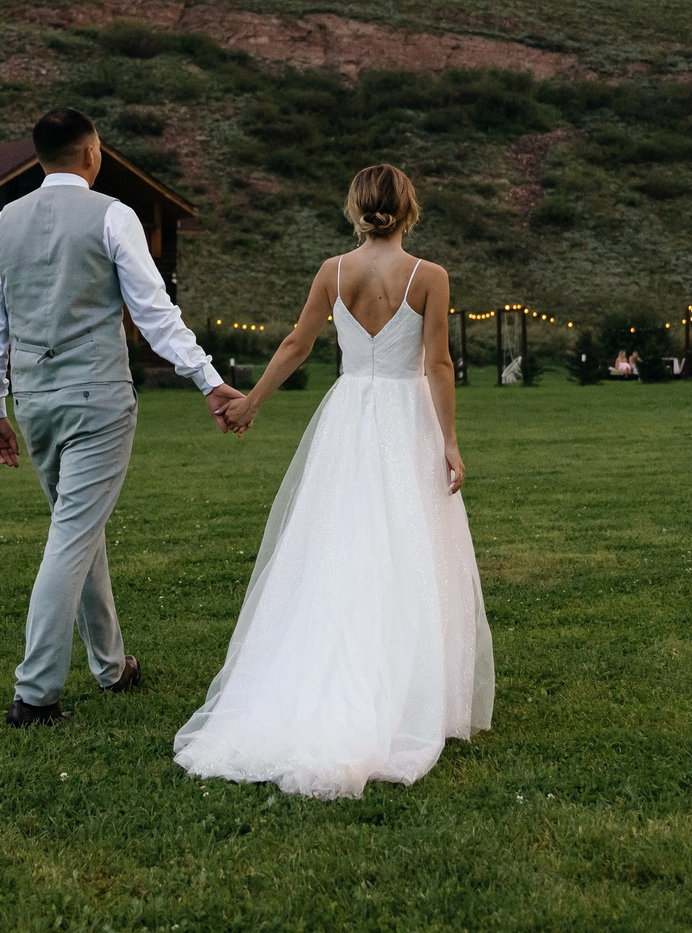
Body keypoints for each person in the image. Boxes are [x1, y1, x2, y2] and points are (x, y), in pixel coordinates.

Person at [174, 163, 492, 799]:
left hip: (347, 417)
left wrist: (253, 402)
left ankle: (326, 673)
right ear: (408, 210)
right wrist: (450, 440)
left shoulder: (333, 272)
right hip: (405, 419)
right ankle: (402, 692)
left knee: (336, 545)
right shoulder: (429, 277)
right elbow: (438, 363)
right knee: (408, 550)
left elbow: (297, 343)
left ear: (357, 210)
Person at [0, 106, 242, 728]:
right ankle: (35, 694)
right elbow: (154, 312)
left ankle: (111, 664)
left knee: (78, 525)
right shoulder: (113, 216)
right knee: (71, 535)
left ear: (40, 157)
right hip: (97, 397)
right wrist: (207, 378)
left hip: (35, 402)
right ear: (92, 153)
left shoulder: (0, 226)